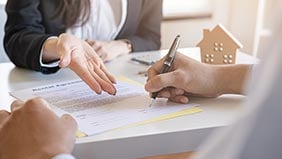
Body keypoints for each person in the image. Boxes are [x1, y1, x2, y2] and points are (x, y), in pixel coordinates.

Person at [3, 0, 162, 94]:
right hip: (48, 86)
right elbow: (17, 37)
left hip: (119, 84)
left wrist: (121, 46)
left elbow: (151, 37)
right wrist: (58, 46)